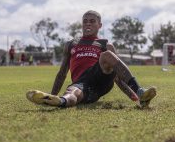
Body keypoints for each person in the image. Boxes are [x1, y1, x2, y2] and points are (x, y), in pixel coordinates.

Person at [27, 10, 156, 109]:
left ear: (99, 25)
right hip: (83, 85)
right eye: (85, 21)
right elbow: (62, 73)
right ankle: (60, 101)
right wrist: (53, 94)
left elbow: (117, 77)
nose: (88, 23)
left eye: (92, 21)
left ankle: (140, 92)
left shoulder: (105, 45)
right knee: (73, 92)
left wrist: (133, 96)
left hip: (101, 79)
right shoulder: (71, 44)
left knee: (106, 55)